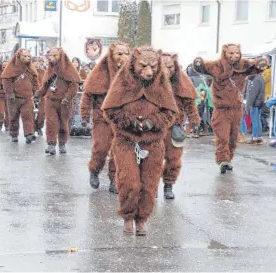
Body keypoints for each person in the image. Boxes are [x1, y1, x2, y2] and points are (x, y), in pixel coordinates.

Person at [102, 47, 177, 235]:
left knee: (149, 184)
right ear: (134, 64)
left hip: (153, 142)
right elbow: (110, 109)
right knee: (129, 182)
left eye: (152, 66)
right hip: (126, 140)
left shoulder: (162, 84)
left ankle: (142, 219)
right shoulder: (122, 82)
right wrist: (129, 122)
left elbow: (170, 112)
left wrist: (154, 122)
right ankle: (128, 215)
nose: (148, 71)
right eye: (143, 66)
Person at [193, 44, 268, 173]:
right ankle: (223, 160)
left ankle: (228, 159)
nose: (234, 56)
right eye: (231, 53)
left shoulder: (243, 64)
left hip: (236, 109)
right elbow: (203, 68)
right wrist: (198, 63)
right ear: (224, 53)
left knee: (233, 138)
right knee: (222, 137)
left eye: (237, 53)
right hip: (221, 109)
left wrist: (262, 63)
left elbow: (255, 67)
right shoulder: (217, 65)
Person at [80, 42, 130, 193]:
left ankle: (114, 180)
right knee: (101, 148)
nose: (124, 57)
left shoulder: (133, 74)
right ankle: (94, 170)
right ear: (112, 56)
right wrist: (84, 115)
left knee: (119, 151)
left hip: (122, 119)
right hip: (102, 118)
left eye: (127, 53)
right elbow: (88, 94)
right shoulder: (100, 72)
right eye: (119, 54)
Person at [161, 53, 199, 199]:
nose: (166, 71)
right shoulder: (150, 81)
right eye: (163, 67)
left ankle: (168, 185)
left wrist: (194, 118)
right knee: (152, 160)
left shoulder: (182, 82)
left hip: (175, 127)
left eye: (169, 67)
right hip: (155, 128)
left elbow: (190, 102)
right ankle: (150, 188)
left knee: (174, 159)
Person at [34, 47, 80, 155]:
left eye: (55, 56)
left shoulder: (69, 70)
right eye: (51, 56)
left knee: (63, 124)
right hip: (51, 101)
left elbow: (73, 86)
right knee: (51, 122)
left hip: (65, 103)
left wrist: (67, 98)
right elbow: (45, 86)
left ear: (61, 57)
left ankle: (62, 143)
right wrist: (38, 94)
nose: (52, 58)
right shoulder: (50, 70)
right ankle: (51, 144)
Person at [1, 48, 38, 144]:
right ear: (18, 56)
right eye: (24, 56)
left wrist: (36, 93)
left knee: (28, 115)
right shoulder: (11, 67)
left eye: (28, 56)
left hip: (27, 97)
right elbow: (6, 81)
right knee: (13, 116)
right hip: (14, 98)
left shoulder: (31, 68)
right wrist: (10, 94)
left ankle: (29, 134)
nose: (27, 58)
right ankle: (14, 134)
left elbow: (35, 82)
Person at [245, 72, 266, 145]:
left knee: (255, 121)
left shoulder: (255, 80)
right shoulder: (260, 78)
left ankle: (254, 138)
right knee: (258, 120)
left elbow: (252, 94)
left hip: (254, 103)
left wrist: (247, 105)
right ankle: (259, 138)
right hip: (259, 102)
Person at [32, 57, 46, 136]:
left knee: (42, 113)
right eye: (35, 62)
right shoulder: (29, 72)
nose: (37, 63)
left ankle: (39, 127)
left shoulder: (43, 72)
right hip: (31, 95)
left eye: (38, 62)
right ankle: (33, 129)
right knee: (32, 113)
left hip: (42, 94)